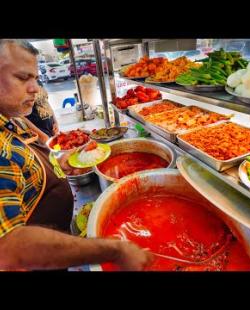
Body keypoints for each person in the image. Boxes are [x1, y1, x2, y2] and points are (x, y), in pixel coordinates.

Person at [0, 39, 152, 271]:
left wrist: (61, 164)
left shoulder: (13, 120)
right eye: (22, 78)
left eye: (35, 78)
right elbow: (9, 247)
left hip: (54, 248)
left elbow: (29, 162)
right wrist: (115, 250)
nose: (36, 89)